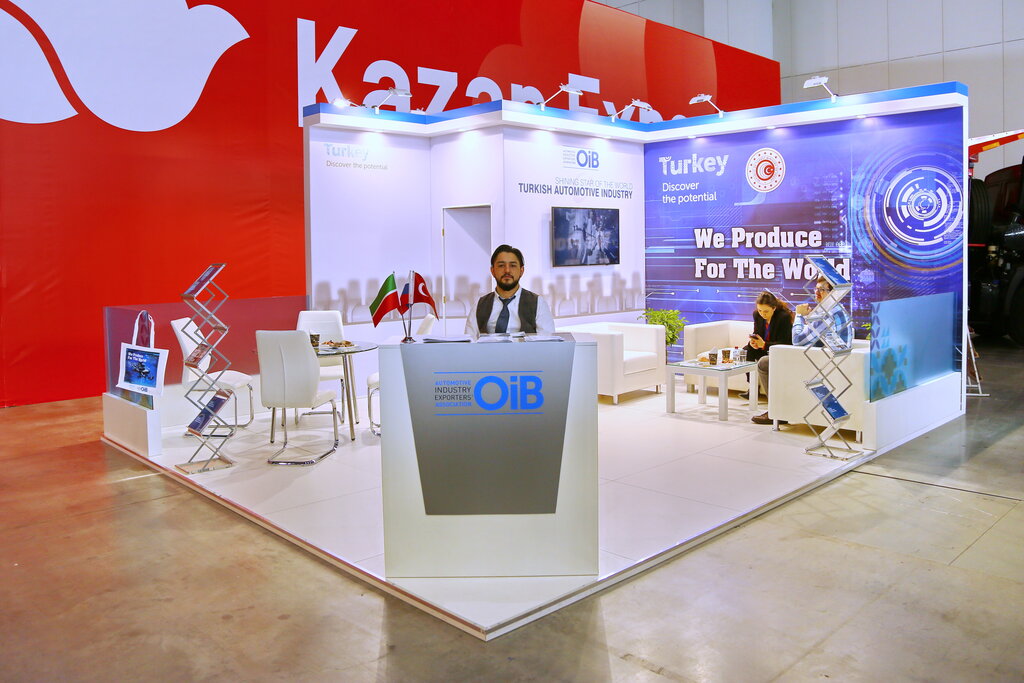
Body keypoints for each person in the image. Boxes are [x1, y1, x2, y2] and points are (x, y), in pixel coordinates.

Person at [750, 277, 851, 425]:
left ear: (833, 293)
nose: (817, 293)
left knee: (764, 363)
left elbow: (797, 340)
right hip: (833, 358)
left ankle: (776, 411)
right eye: (816, 289)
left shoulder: (826, 313)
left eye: (822, 290)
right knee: (760, 356)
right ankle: (778, 408)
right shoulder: (838, 309)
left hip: (824, 362)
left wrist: (798, 315)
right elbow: (812, 336)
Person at [465, 244, 555, 337]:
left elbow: (548, 341)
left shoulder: (538, 303)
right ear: (492, 271)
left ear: (521, 271)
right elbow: (469, 341)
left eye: (512, 265)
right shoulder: (479, 305)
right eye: (501, 265)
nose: (507, 270)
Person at [741, 291, 793, 423]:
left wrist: (764, 345)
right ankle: (753, 388)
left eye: (766, 311)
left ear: (774, 308)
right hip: (764, 347)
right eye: (760, 311)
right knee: (746, 351)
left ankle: (776, 410)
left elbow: (786, 343)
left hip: (778, 350)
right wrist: (754, 342)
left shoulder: (783, 317)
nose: (762, 314)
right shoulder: (757, 315)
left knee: (764, 362)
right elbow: (757, 333)